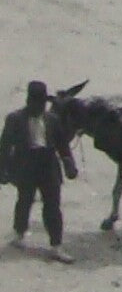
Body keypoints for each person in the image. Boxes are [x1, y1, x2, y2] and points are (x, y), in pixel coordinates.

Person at [0, 81, 79, 261]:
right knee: (24, 200)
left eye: (42, 103)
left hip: (48, 166)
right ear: (29, 100)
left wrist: (69, 164)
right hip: (26, 165)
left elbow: (63, 146)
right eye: (36, 102)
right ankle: (20, 233)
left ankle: (56, 246)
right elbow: (4, 147)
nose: (39, 107)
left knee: (53, 206)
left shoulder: (52, 120)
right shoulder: (15, 119)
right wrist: (2, 171)